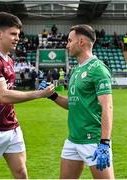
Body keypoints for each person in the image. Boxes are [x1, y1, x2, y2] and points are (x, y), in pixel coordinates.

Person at [0, 12, 54, 179]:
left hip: (12, 127)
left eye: (18, 34)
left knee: (21, 173)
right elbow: (4, 96)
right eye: (13, 34)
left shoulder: (9, 60)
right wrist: (38, 94)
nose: (17, 38)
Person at [39, 24, 114, 179]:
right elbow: (73, 104)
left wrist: (104, 143)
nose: (67, 45)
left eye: (69, 40)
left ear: (81, 42)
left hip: (93, 140)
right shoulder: (76, 70)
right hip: (73, 140)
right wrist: (52, 95)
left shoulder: (98, 69)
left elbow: (107, 107)